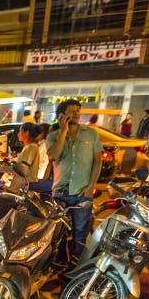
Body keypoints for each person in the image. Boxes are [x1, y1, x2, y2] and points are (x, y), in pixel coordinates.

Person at [47, 98, 102, 255]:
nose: (77, 114)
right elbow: (54, 155)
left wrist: (91, 186)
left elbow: (98, 162)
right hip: (60, 193)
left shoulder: (91, 134)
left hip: (82, 193)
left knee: (80, 234)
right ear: (62, 116)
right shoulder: (53, 136)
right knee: (57, 234)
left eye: (78, 110)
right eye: (72, 111)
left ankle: (76, 269)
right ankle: (59, 265)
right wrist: (63, 131)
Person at [10, 122, 41, 191]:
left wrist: (6, 169)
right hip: (20, 185)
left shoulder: (32, 147)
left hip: (24, 186)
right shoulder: (28, 146)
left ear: (26, 133)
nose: (18, 134)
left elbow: (23, 169)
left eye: (20, 131)